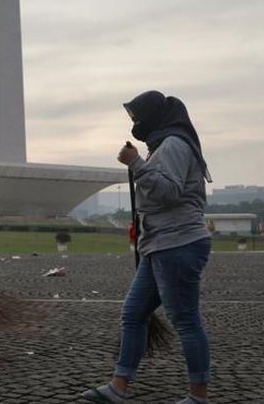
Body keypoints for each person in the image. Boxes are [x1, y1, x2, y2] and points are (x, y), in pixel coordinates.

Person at [83, 90, 213, 404]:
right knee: (133, 313)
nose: (135, 124)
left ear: (155, 116)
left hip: (178, 243)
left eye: (137, 118)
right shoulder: (166, 144)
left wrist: (136, 163)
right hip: (160, 243)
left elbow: (168, 192)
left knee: (185, 319)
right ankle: (118, 386)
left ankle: (198, 396)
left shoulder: (174, 144)